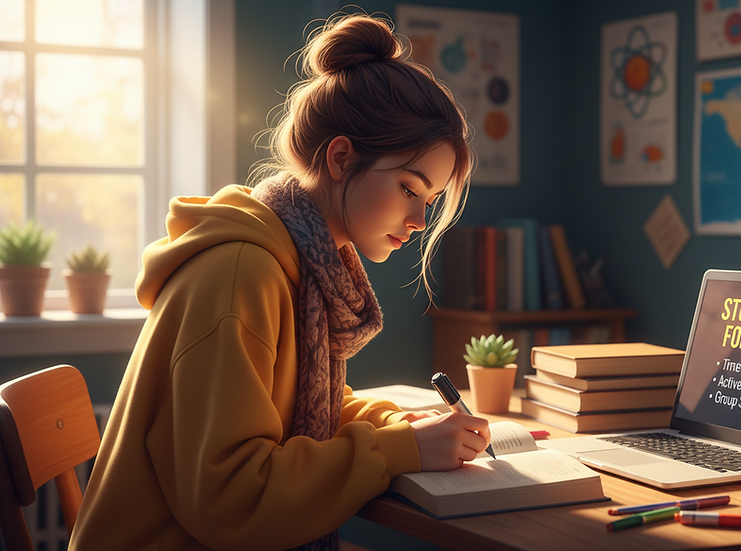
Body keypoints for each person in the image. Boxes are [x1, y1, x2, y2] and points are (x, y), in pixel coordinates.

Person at [70, 12, 488, 551]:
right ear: (341, 157)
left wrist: (397, 424)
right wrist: (396, 448)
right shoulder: (243, 273)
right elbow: (232, 495)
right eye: (411, 189)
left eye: (429, 201)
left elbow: (297, 409)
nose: (419, 221)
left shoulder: (300, 257)